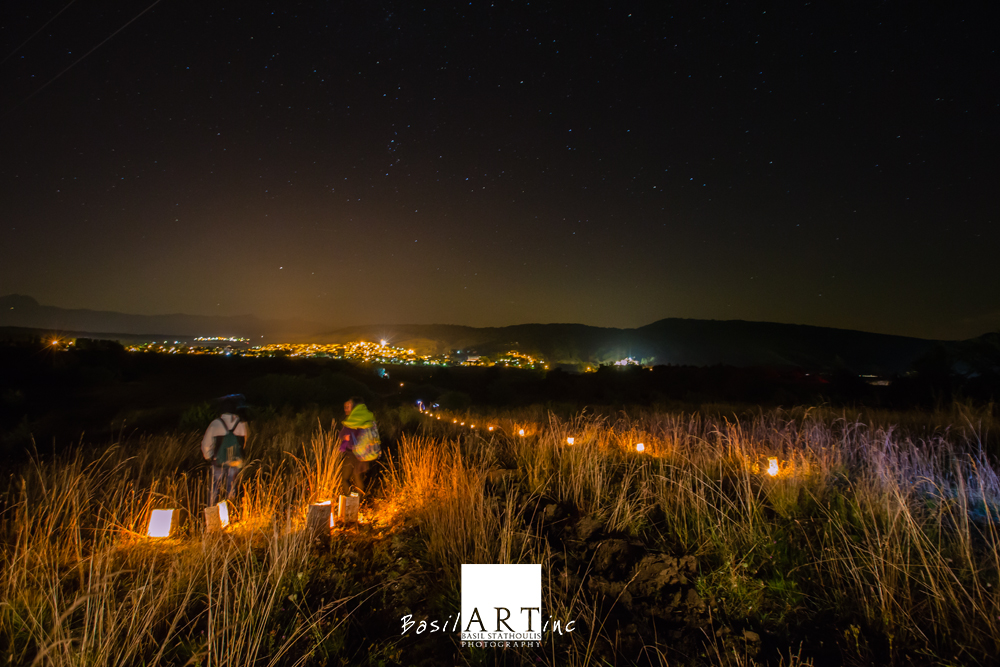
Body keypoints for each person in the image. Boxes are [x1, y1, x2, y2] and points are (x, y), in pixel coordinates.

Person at [202, 394, 248, 505]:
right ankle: (230, 512)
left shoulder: (215, 424)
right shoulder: (242, 424)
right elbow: (244, 443)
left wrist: (209, 457)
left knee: (214, 489)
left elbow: (206, 444)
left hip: (219, 462)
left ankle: (213, 515)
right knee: (232, 489)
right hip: (236, 461)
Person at [336, 395, 376, 495]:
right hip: (363, 453)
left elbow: (342, 435)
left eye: (349, 405)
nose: (346, 407)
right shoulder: (365, 417)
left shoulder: (352, 420)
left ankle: (351, 502)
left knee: (345, 478)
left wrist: (342, 447)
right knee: (357, 477)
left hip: (353, 454)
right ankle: (358, 502)